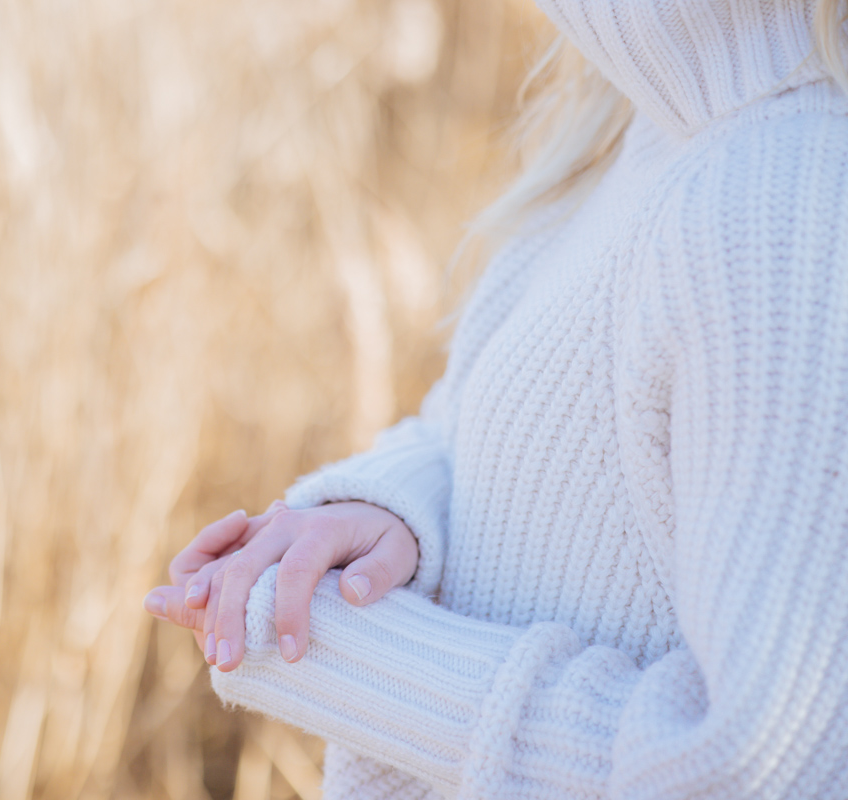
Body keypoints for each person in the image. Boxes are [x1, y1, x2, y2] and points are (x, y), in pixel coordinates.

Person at [143, 0, 848, 797]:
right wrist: (393, 511)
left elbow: (765, 771)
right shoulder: (642, 123)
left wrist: (349, 652)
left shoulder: (785, 189)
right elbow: (489, 413)